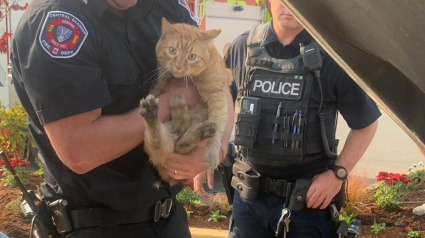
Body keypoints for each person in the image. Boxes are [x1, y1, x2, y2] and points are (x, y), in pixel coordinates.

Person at [10, 0, 234, 237]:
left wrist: (214, 149)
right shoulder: (57, 20)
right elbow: (79, 150)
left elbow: (217, 84)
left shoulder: (169, 8)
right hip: (93, 226)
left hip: (168, 220)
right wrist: (168, 102)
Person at [224, 0, 380, 237]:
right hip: (248, 200)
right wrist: (208, 147)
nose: (291, 6)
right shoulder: (242, 47)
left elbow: (366, 124)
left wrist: (337, 174)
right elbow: (221, 100)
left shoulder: (332, 56)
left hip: (307, 203)